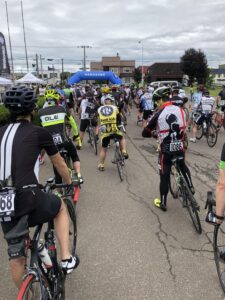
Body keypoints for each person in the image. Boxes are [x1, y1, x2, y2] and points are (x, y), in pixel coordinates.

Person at [0, 86, 79, 290]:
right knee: (60, 206)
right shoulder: (38, 132)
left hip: (3, 203)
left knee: (16, 257)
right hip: (29, 196)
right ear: (33, 109)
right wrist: (69, 181)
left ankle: (29, 291)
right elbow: (60, 163)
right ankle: (66, 258)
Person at [142, 87, 194, 211]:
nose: (155, 104)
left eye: (156, 101)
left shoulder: (158, 114)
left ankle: (163, 203)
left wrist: (155, 134)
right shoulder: (181, 110)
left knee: (164, 175)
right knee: (182, 164)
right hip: (180, 145)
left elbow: (145, 133)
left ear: (160, 100)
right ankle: (191, 187)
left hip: (166, 150)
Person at [38, 89, 83, 184]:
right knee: (74, 156)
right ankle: (78, 175)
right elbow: (73, 123)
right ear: (56, 100)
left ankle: (59, 191)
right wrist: (76, 135)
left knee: (56, 164)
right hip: (64, 141)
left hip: (51, 145)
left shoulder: (40, 112)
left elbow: (40, 130)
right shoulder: (62, 109)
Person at [97, 94, 128, 171]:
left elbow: (98, 120)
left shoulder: (99, 109)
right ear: (112, 101)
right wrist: (121, 124)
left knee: (104, 149)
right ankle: (124, 151)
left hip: (105, 132)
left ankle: (101, 165)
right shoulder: (115, 108)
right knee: (122, 138)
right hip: (114, 129)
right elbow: (119, 118)